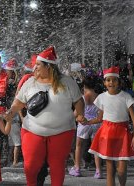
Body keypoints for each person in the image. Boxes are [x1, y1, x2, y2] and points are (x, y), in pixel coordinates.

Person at [5, 46, 85, 186]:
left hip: (62, 131)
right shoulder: (30, 82)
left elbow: (79, 101)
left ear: (49, 66)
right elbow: (19, 102)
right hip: (32, 130)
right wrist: (10, 113)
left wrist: (79, 115)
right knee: (30, 166)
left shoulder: (67, 82)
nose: (34, 68)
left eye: (38, 65)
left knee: (57, 166)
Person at [87, 66, 134, 186]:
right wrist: (88, 122)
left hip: (123, 133)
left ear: (118, 82)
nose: (111, 82)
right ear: (105, 82)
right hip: (107, 133)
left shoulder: (126, 96)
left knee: (121, 170)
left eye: (114, 80)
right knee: (110, 170)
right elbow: (100, 118)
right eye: (108, 80)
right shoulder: (101, 97)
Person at [69, 75, 103, 179]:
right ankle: (98, 171)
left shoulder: (83, 98)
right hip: (96, 123)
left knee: (79, 146)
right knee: (96, 148)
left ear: (85, 86)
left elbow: (75, 113)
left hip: (84, 123)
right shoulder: (99, 96)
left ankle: (77, 168)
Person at [4, 58, 21, 167]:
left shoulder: (9, 84)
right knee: (14, 140)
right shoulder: (16, 83)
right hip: (12, 114)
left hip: (9, 113)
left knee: (13, 140)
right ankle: (13, 160)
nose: (5, 72)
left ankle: (12, 160)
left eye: (7, 71)